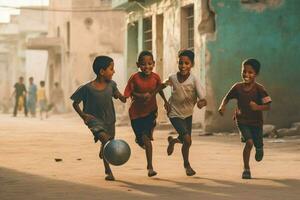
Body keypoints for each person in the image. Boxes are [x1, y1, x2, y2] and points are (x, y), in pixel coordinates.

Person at [71, 56, 126, 181]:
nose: (114, 72)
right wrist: (83, 115)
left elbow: (118, 95)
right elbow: (75, 103)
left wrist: (123, 97)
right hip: (93, 120)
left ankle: (103, 148)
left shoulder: (112, 85)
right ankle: (108, 171)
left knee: (108, 143)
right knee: (107, 143)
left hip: (110, 120)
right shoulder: (86, 88)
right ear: (102, 72)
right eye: (111, 69)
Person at [218, 58, 272, 179]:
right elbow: (227, 97)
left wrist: (257, 107)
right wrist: (222, 106)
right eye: (244, 71)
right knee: (249, 142)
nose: (246, 74)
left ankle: (260, 148)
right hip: (242, 121)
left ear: (256, 74)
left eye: (250, 72)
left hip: (256, 123)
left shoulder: (260, 89)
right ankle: (246, 169)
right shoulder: (237, 87)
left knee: (257, 144)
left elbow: (268, 106)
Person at [157, 50, 207, 176]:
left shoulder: (194, 80)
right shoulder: (172, 78)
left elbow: (203, 100)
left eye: (186, 63)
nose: (183, 66)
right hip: (174, 112)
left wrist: (201, 103)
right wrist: (165, 102)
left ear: (192, 64)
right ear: (177, 63)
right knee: (187, 139)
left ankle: (173, 141)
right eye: (181, 63)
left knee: (186, 141)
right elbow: (159, 87)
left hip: (188, 114)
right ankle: (187, 165)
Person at [124, 50, 168, 177]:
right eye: (143, 64)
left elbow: (159, 89)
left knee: (147, 140)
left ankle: (150, 167)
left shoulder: (155, 77)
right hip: (136, 114)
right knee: (141, 139)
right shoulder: (135, 77)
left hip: (150, 111)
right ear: (138, 64)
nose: (146, 66)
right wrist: (131, 96)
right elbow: (128, 91)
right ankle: (140, 139)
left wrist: (166, 102)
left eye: (149, 63)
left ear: (153, 64)